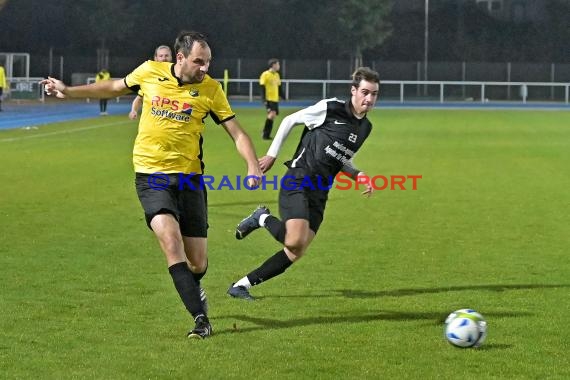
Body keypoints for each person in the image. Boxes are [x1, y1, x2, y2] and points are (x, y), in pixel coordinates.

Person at [42, 31, 263, 339]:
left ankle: (193, 286)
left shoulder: (211, 89)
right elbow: (114, 86)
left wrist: (252, 164)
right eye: (199, 61)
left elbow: (237, 133)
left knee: (197, 262)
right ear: (181, 58)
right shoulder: (149, 71)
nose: (205, 68)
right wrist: (69, 90)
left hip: (189, 179)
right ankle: (201, 320)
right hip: (151, 176)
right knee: (170, 242)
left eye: (208, 62)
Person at [227, 67, 379, 301]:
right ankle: (261, 218)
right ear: (354, 91)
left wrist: (357, 174)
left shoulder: (365, 128)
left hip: (321, 191)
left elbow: (341, 157)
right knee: (294, 239)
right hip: (299, 178)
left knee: (295, 251)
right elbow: (290, 120)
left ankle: (240, 285)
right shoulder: (331, 108)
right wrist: (272, 155)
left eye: (374, 94)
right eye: (365, 92)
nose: (369, 99)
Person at [129, 45, 173, 120]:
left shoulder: (180, 76)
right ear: (156, 58)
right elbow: (139, 98)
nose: (164, 58)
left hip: (172, 124)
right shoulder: (149, 76)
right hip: (151, 124)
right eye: (161, 56)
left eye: (166, 55)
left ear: (171, 57)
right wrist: (133, 111)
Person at [259, 58, 284, 140]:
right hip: (269, 99)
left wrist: (282, 96)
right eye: (278, 64)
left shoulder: (277, 75)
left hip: (275, 99)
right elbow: (262, 88)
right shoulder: (265, 74)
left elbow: (279, 87)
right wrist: (264, 100)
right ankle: (265, 133)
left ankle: (266, 134)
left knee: (272, 116)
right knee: (271, 115)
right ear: (273, 65)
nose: (279, 66)